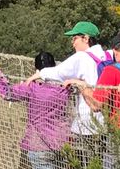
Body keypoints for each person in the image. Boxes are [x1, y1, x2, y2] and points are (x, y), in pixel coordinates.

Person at [0, 52, 70, 169]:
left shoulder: (31, 87)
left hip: (38, 144)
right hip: (61, 143)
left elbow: (8, 94)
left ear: (37, 70)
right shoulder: (65, 88)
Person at [35, 19, 113, 149]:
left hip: (86, 124)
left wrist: (38, 74)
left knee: (82, 165)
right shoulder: (109, 55)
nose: (73, 43)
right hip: (108, 122)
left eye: (75, 38)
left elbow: (58, 73)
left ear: (86, 38)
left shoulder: (81, 57)